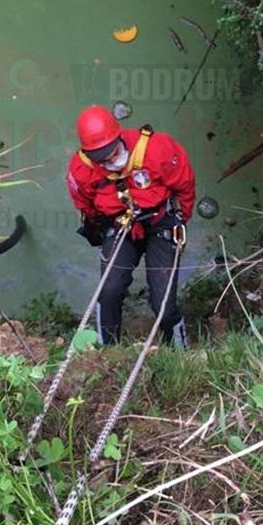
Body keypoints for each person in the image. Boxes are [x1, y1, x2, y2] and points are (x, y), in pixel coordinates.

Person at [66, 105, 195, 348]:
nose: (109, 161)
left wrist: (180, 220)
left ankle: (179, 351)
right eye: (101, 158)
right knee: (109, 291)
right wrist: (102, 229)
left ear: (119, 136)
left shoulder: (157, 149)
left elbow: (184, 186)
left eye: (112, 153)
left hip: (160, 222)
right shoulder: (81, 169)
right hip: (121, 224)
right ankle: (108, 351)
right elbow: (85, 204)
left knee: (164, 306)